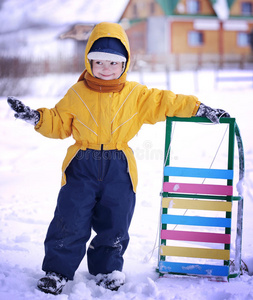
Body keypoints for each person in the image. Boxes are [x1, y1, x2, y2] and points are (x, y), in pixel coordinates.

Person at [7, 22, 230, 295]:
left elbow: (165, 102)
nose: (105, 68)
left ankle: (106, 270)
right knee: (70, 218)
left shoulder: (136, 95)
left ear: (125, 64)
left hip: (119, 167)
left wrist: (197, 107)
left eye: (113, 62)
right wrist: (37, 118)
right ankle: (57, 272)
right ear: (88, 60)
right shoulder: (77, 93)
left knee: (115, 221)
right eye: (98, 61)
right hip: (81, 165)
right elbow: (59, 122)